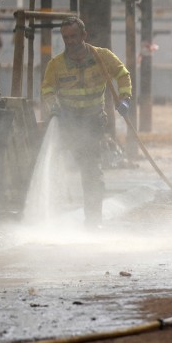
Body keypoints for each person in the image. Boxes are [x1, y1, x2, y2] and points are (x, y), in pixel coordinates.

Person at [39, 17, 133, 228]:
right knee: (53, 167)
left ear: (84, 35)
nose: (70, 41)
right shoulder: (56, 65)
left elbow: (123, 75)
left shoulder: (102, 57)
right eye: (66, 38)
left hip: (92, 123)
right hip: (66, 122)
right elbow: (47, 89)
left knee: (91, 172)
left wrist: (125, 98)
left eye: (73, 36)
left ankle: (93, 221)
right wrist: (54, 108)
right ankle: (50, 218)